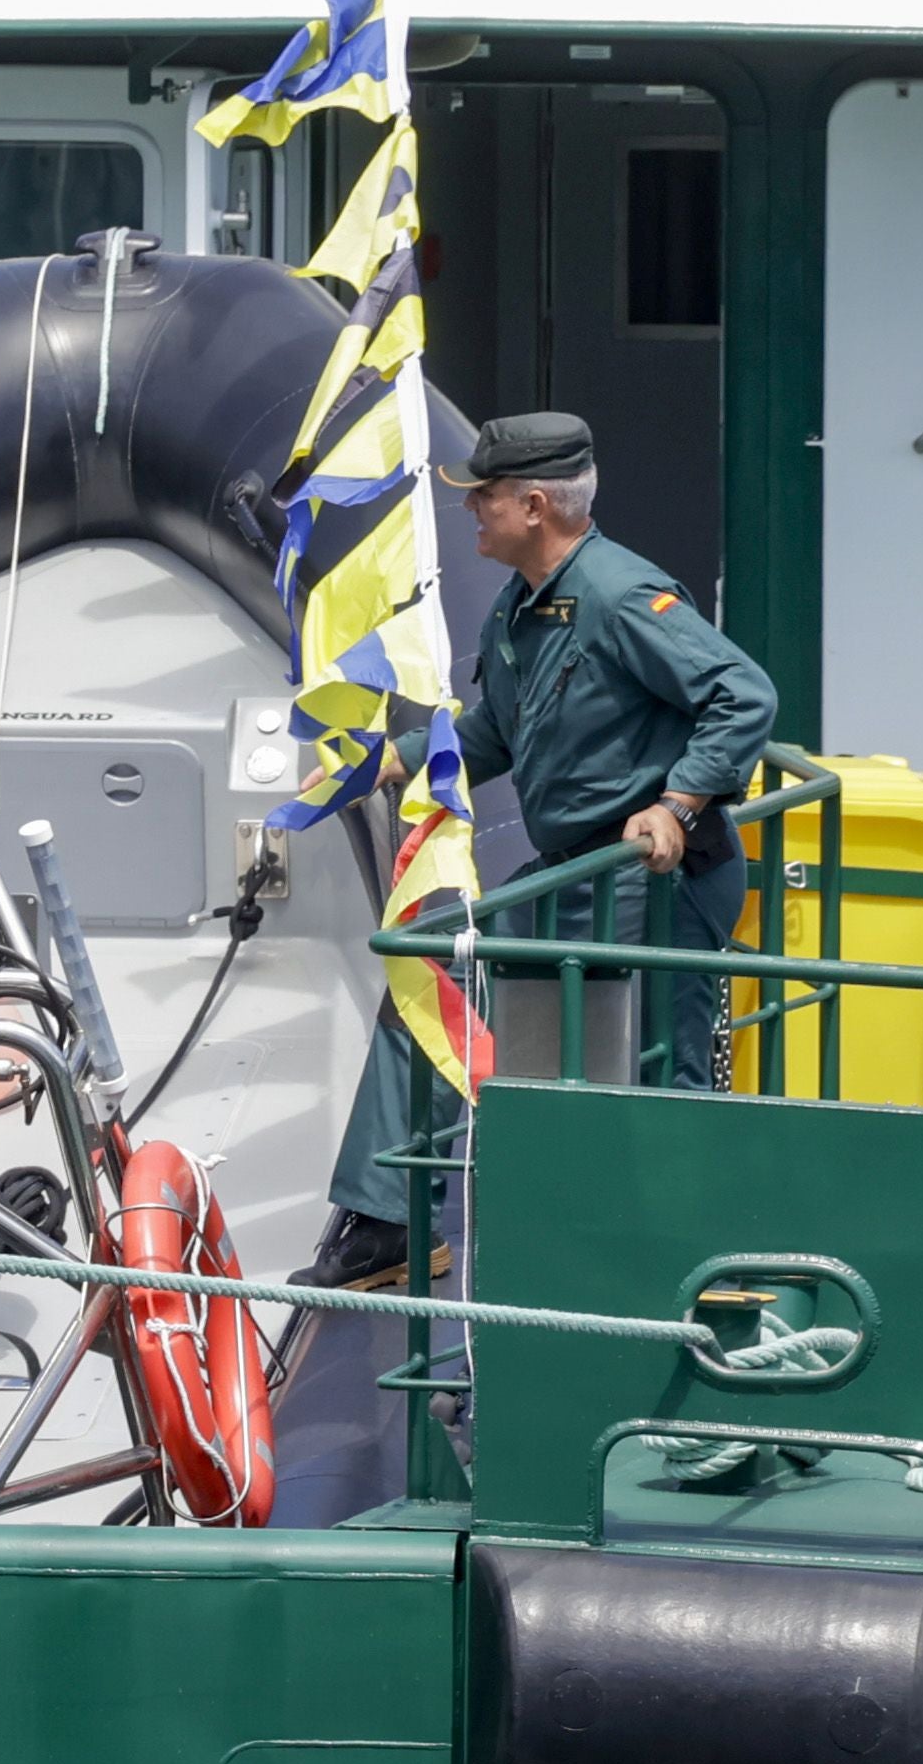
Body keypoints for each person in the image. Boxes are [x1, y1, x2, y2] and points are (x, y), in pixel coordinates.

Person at [309, 408, 777, 1295]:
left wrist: (677, 803)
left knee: (664, 1067)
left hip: (655, 877)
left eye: (483, 495)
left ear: (533, 506)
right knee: (432, 976)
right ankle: (388, 1222)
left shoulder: (620, 595)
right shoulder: (524, 605)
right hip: (576, 876)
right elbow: (497, 728)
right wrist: (394, 760)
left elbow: (742, 695)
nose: (470, 509)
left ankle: (699, 1264)